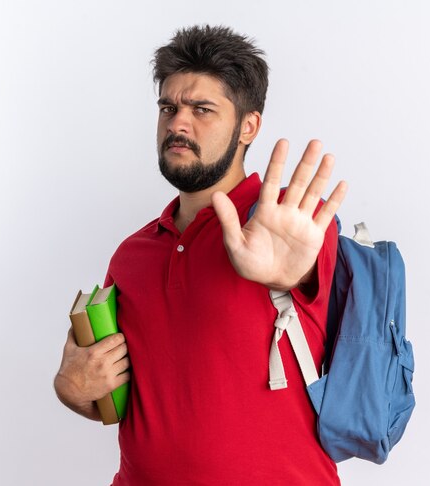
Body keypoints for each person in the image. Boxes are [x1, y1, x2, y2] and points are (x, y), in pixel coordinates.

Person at [54, 25, 347, 485]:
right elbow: (137, 406)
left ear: (248, 126)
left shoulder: (291, 227)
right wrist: (73, 391)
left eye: (202, 110)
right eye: (168, 107)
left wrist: (289, 275)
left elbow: (308, 271)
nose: (178, 123)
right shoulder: (132, 255)